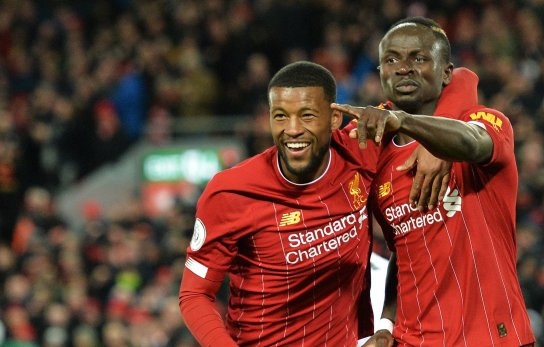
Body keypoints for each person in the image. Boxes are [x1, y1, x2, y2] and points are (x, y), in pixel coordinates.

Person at [178, 60, 469, 346]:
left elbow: (457, 79)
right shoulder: (231, 193)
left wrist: (438, 144)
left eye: (306, 116)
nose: (292, 129)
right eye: (280, 116)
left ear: (334, 118)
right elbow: (194, 296)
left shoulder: (360, 146)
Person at [333, 17, 536, 346]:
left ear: (445, 73)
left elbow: (473, 142)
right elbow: (405, 251)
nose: (403, 68)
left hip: (492, 338)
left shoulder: (484, 120)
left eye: (419, 57)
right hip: (412, 340)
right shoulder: (376, 158)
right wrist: (386, 324)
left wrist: (411, 125)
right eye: (391, 59)